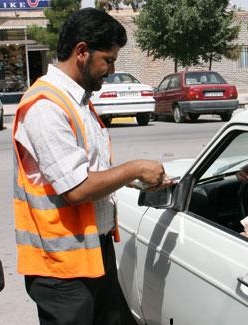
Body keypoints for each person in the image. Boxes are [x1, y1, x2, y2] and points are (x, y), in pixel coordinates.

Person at [12, 8, 172, 325]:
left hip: (92, 253)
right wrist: (134, 169)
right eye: (108, 60)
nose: (111, 70)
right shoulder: (45, 106)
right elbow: (75, 189)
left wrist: (133, 182)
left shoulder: (78, 100)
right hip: (61, 268)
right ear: (82, 52)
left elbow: (89, 169)